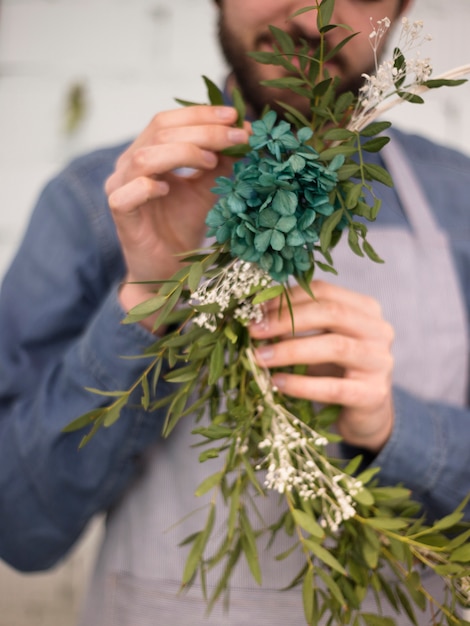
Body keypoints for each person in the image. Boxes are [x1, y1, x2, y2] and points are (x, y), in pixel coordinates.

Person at [0, 0, 469, 624]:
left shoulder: (460, 201)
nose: (312, 18)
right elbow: (20, 529)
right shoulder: (95, 203)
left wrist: (393, 427)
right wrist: (148, 297)